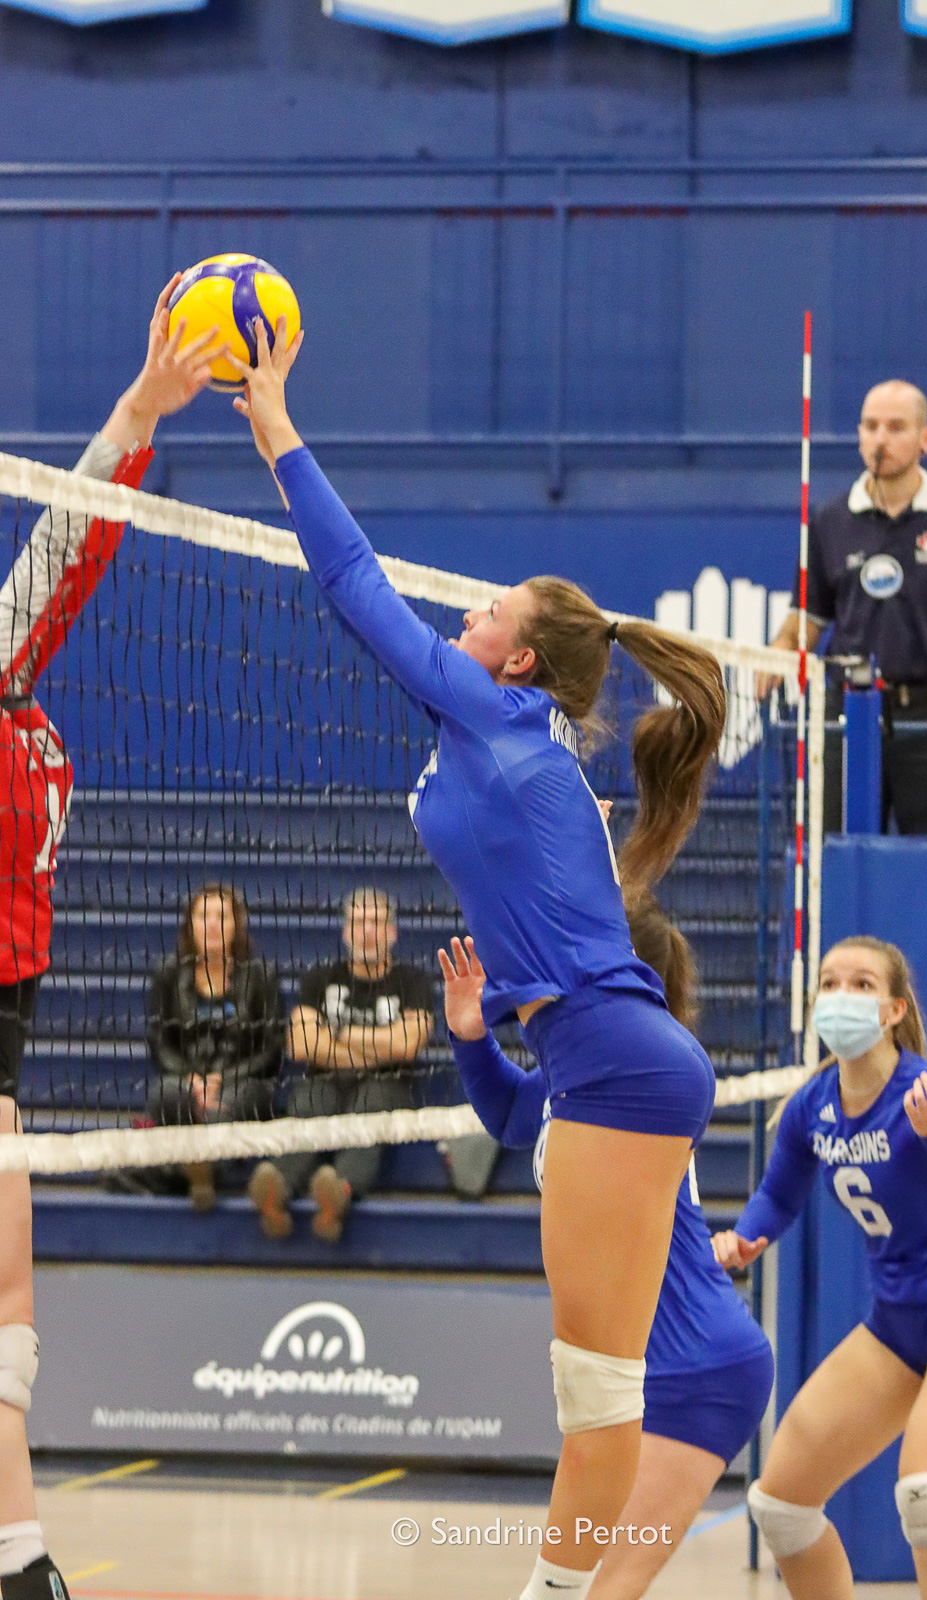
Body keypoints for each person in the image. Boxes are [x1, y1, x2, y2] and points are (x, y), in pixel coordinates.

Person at [233, 319, 726, 1600]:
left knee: (597, 1393)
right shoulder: (507, 737)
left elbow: (353, 583)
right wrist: (482, 1019)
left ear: (516, 658)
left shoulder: (500, 715)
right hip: (604, 1055)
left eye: (486, 608)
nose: (464, 611)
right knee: (601, 1389)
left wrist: (278, 430)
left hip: (613, 1057)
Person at [0, 285, 224, 1600]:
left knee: (10, 1286)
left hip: (10, 1005)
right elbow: (58, 555)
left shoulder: (15, 690)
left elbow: (65, 557)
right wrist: (137, 409)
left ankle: (17, 1554)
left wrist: (144, 406)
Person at [439, 898, 773, 1600]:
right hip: (640, 1371)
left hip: (695, 1366)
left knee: (595, 1591)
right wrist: (471, 1036)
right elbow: (512, 1114)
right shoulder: (582, 1077)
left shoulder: (644, 1081)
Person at [712, 935, 927, 1600]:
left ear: (892, 1011)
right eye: (829, 983)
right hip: (897, 1321)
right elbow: (779, 1193)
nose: (841, 996)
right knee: (780, 1504)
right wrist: (745, 1238)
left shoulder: (921, 1089)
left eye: (861, 985)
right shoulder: (812, 1104)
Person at [760, 380, 927, 1085]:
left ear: (925, 440)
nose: (880, 439)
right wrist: (772, 658)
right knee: (836, 868)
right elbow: (807, 623)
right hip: (848, 718)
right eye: (870, 425)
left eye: (896, 426)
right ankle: (832, 1030)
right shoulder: (831, 520)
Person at [248, 886, 434, 1242]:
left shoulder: (413, 981)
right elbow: (300, 1043)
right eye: (359, 923)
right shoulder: (319, 978)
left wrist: (337, 1032)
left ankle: (339, 1192)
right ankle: (277, 1189)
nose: (367, 931)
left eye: (376, 922)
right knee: (309, 1103)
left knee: (372, 1104)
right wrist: (378, 1047)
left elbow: (408, 1045)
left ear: (392, 932)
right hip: (326, 1082)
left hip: (388, 1085)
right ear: (346, 931)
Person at [145, 883, 283, 1210]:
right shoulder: (168, 973)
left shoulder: (261, 975)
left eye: (222, 916)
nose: (212, 924)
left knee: (235, 1105)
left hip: (242, 1082)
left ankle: (185, 1170)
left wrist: (224, 1079)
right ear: (189, 925)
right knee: (164, 1093)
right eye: (203, 916)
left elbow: (273, 1048)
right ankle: (203, 1169)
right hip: (186, 1082)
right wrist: (192, 1079)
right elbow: (159, 1041)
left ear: (236, 925)